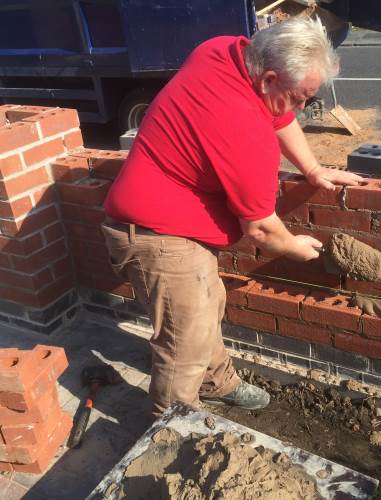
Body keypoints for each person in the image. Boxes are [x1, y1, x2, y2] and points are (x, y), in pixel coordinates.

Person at [102, 17, 362, 418]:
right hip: (156, 234)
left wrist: (312, 169)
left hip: (175, 220)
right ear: (269, 79)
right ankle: (169, 426)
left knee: (206, 307)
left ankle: (216, 383)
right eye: (301, 98)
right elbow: (261, 229)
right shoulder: (246, 130)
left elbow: (279, 114)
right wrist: (299, 250)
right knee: (183, 342)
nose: (301, 109)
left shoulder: (225, 51)